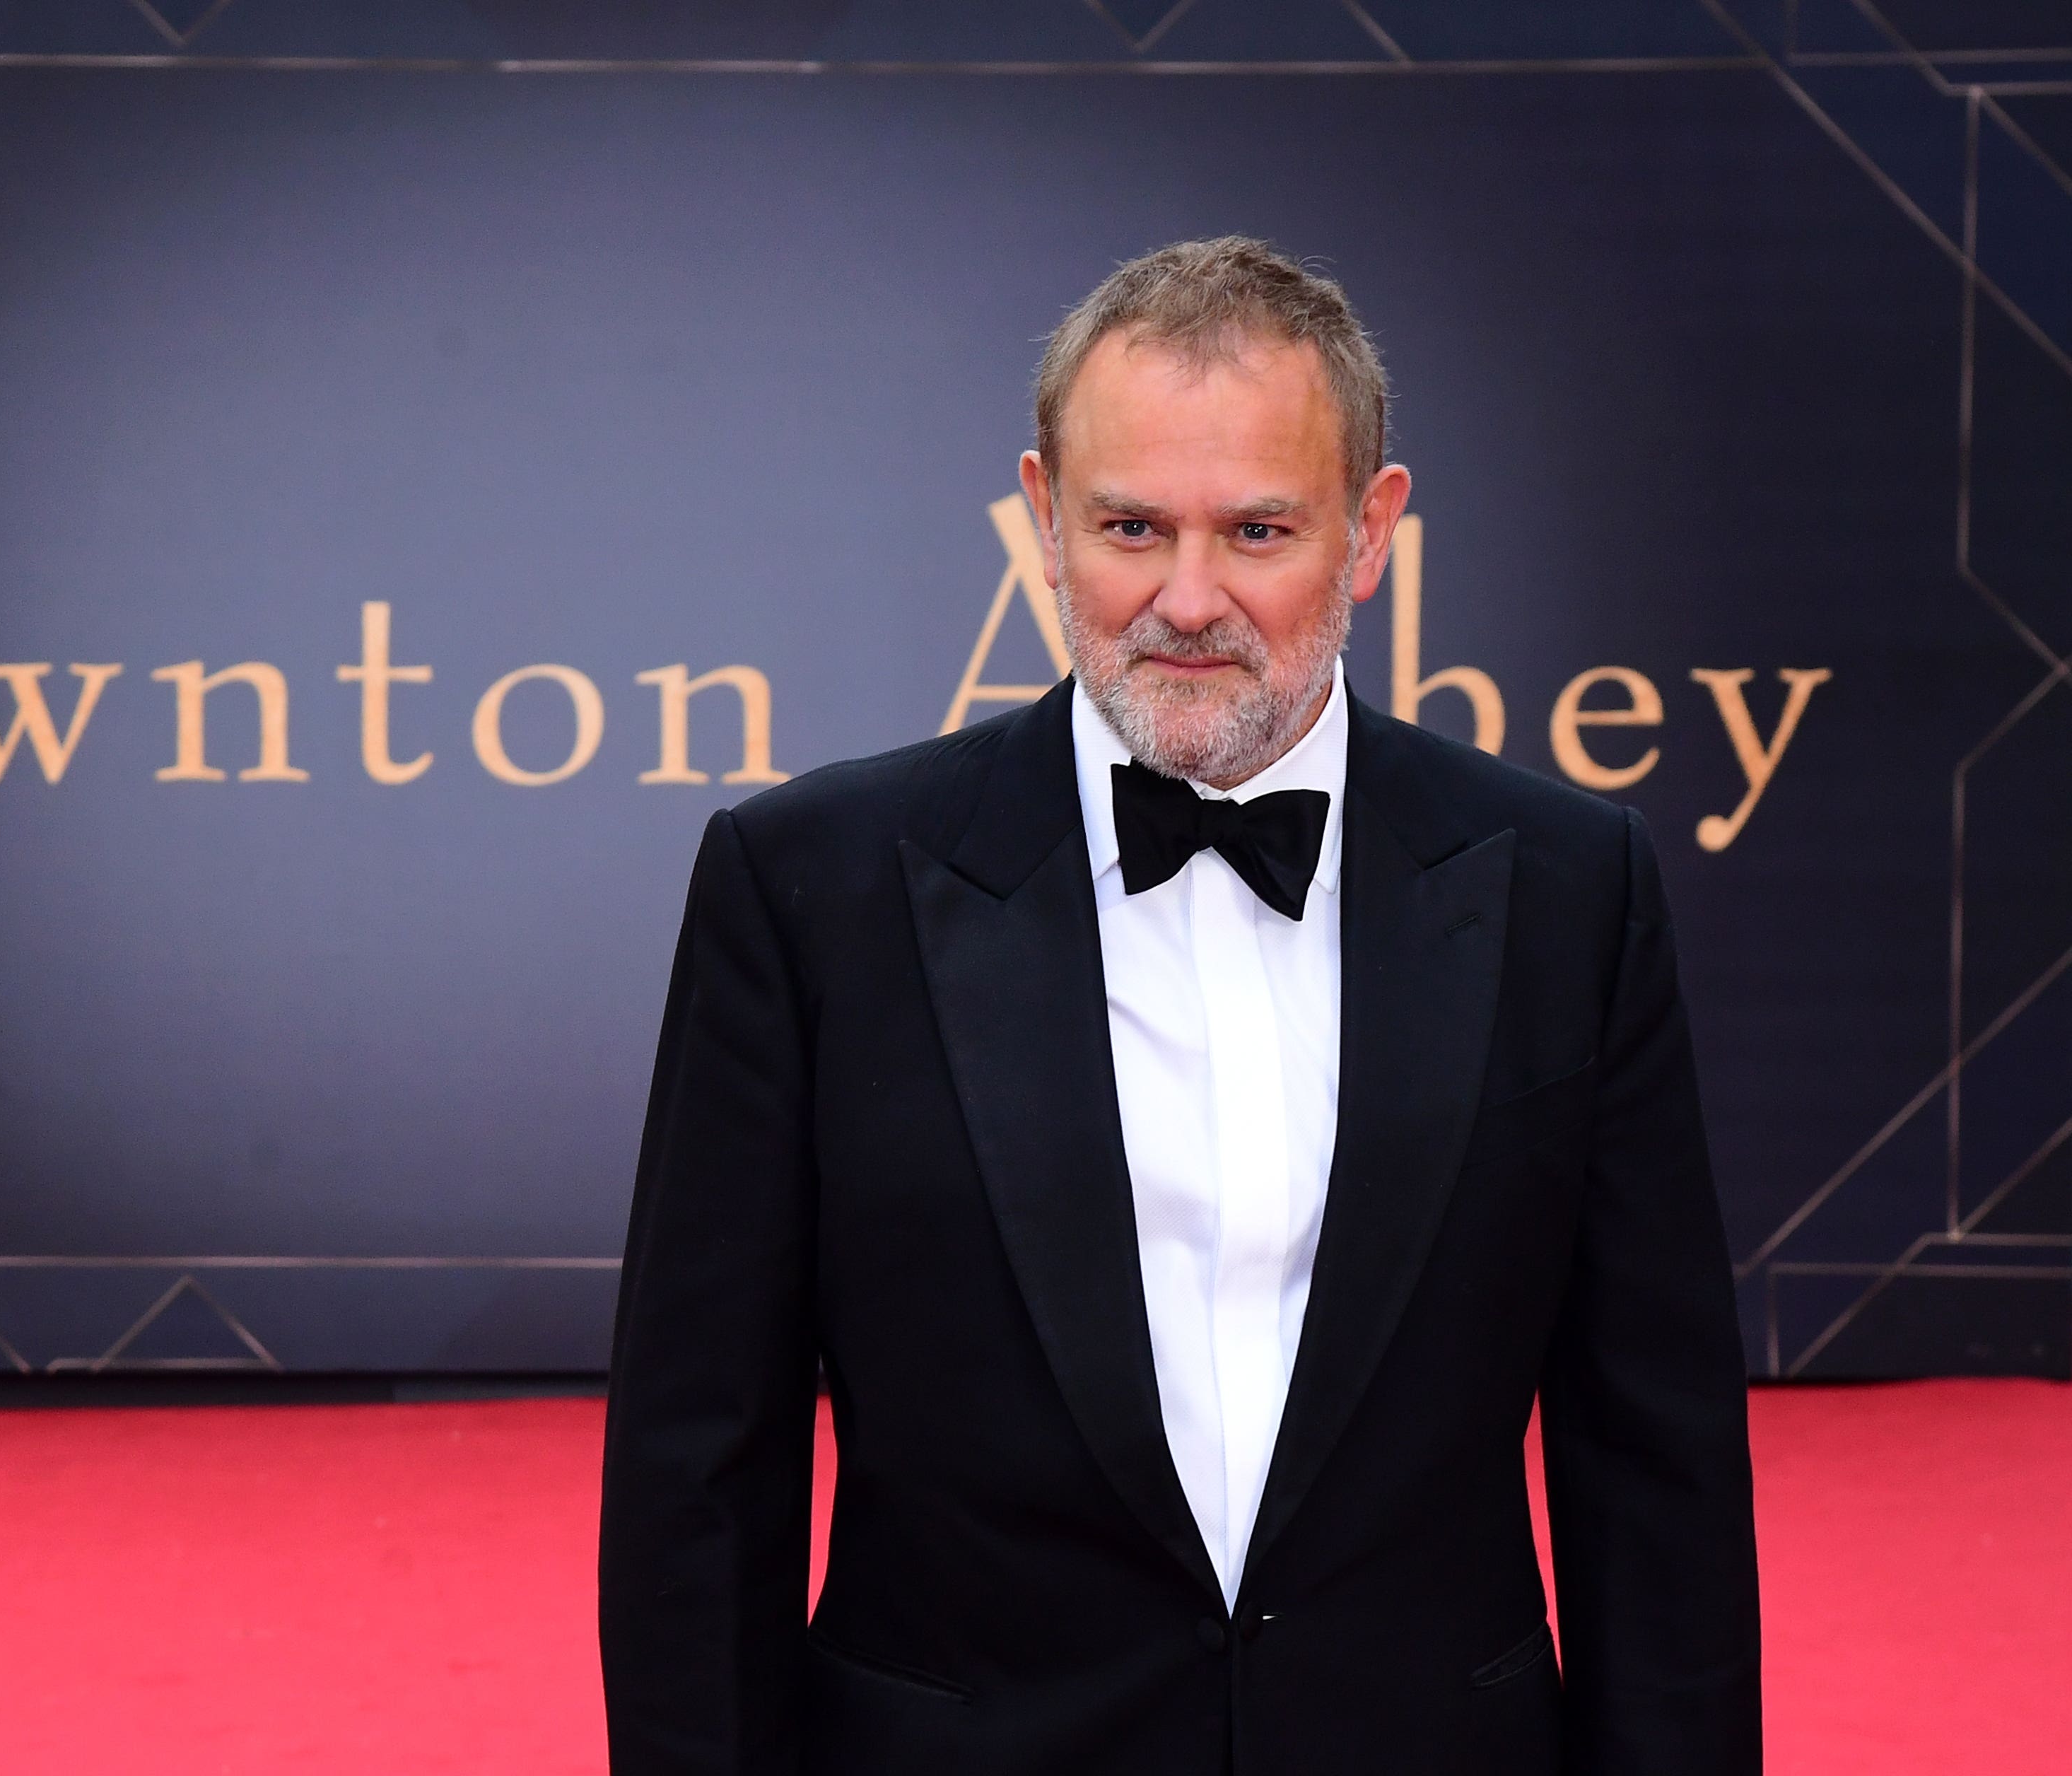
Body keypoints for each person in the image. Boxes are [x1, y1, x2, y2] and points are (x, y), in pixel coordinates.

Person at [598, 238, 1760, 1775]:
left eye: (1259, 529)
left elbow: (1654, 1458)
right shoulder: (809, 887)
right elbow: (700, 1461)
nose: (1187, 599)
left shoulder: (1564, 884)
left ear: (1371, 531)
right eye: (1130, 526)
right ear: (1042, 517)